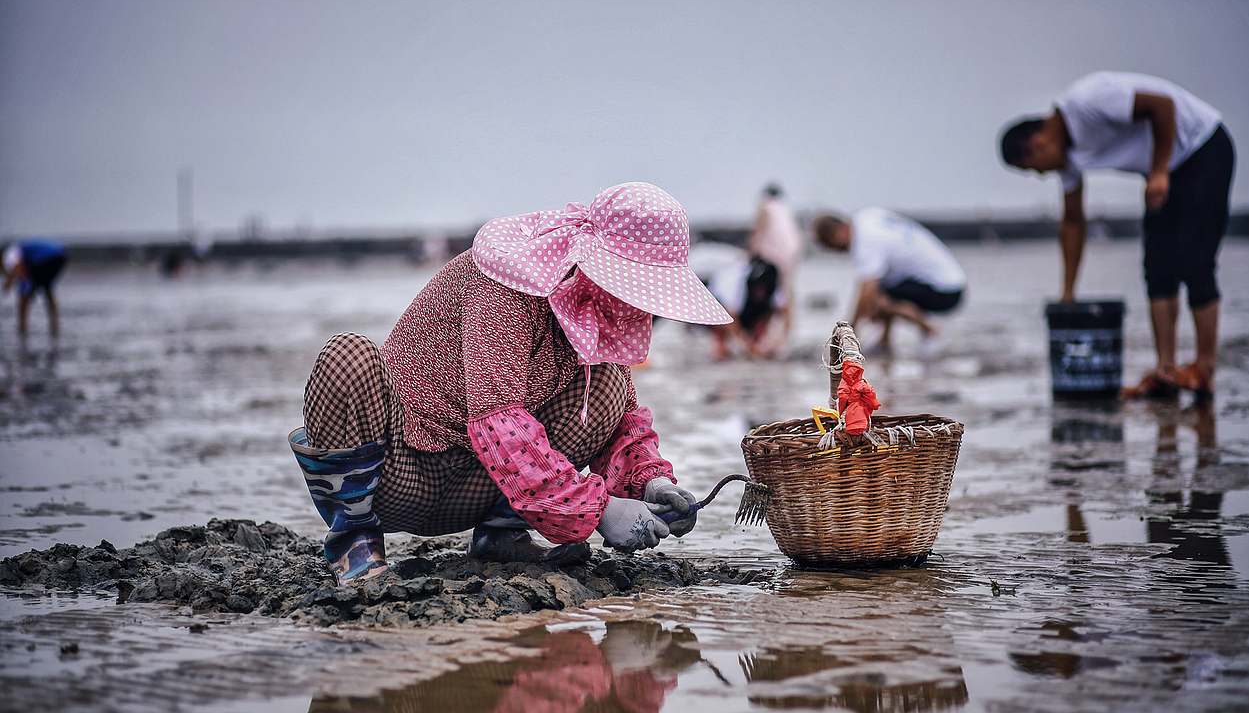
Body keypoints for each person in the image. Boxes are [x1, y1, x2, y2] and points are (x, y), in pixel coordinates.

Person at [288, 182, 733, 585]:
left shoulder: (594, 313)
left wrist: (650, 483)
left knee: (608, 389)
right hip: (401, 472)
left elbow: (620, 424)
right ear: (591, 260)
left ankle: (501, 536)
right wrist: (598, 511)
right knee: (346, 356)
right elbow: (497, 422)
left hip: (484, 488)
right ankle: (355, 540)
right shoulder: (504, 284)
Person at [1000, 71, 1234, 404]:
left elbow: (1162, 107)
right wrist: (1068, 292)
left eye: (1034, 169)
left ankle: (1205, 369)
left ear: (1039, 145)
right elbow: (1072, 221)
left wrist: (1158, 172)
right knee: (1157, 267)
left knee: (1195, 261)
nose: (1041, 175)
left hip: (1202, 147)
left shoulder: (1087, 100)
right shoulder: (1068, 160)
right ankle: (1166, 370)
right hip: (1165, 169)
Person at [812, 208, 966, 355]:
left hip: (946, 290)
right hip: (952, 277)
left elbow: (866, 293)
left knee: (878, 298)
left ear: (837, 234)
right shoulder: (867, 217)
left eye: (830, 246)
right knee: (883, 288)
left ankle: (931, 333)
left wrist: (849, 332)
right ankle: (884, 342)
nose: (834, 251)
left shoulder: (866, 241)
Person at [746, 183, 804, 346]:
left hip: (774, 249)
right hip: (792, 248)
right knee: (785, 288)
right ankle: (786, 332)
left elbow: (759, 230)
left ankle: (774, 334)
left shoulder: (764, 206)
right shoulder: (785, 207)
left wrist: (751, 253)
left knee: (771, 288)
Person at [3, 239, 68, 337]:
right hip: (59, 257)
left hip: (42, 260)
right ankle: (55, 325)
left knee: (25, 293)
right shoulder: (20, 249)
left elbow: (17, 267)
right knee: (47, 288)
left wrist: (8, 283)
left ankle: (22, 327)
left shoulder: (10, 253)